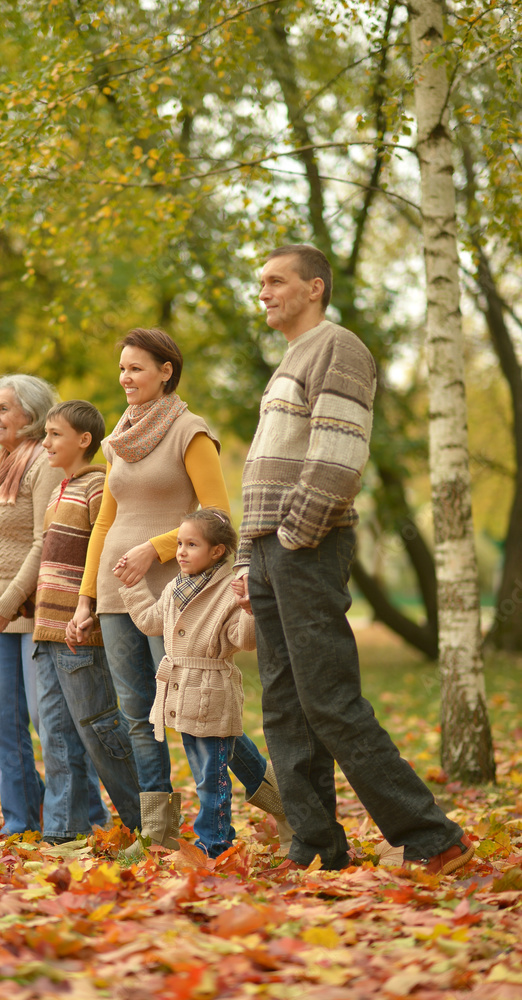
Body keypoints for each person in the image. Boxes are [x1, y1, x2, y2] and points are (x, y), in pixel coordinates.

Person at [233, 243, 474, 877]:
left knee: (329, 699)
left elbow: (338, 457)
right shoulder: (292, 358)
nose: (264, 291)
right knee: (284, 705)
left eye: (276, 281)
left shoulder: (337, 347)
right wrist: (248, 556)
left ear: (315, 288)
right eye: (261, 282)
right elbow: (266, 466)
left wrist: (292, 536)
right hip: (268, 548)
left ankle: (431, 835)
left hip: (303, 546)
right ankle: (315, 846)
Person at [68, 328, 289, 851]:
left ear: (166, 371)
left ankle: (282, 802)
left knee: (196, 709)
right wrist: (86, 598)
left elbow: (217, 515)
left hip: (177, 589)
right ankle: (159, 833)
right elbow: (104, 524)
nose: (125, 378)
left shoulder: (190, 432)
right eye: (121, 368)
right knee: (137, 713)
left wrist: (156, 548)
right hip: (118, 589)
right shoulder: (118, 438)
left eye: (136, 368)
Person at [32, 399, 141, 844]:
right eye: (46, 433)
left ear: (84, 440)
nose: (46, 442)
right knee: (56, 734)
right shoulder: (61, 490)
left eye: (55, 434)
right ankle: (65, 830)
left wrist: (87, 609)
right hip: (47, 632)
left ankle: (148, 820)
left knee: (99, 730)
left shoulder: (98, 487)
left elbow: (103, 556)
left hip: (80, 634)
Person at [118, 509, 257, 859]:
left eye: (191, 544)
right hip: (182, 691)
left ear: (217, 552)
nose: (181, 551)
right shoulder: (175, 587)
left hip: (212, 690)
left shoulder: (229, 591)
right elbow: (152, 623)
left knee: (212, 778)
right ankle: (275, 804)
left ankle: (213, 845)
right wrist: (132, 588)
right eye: (179, 543)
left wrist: (250, 608)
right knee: (207, 771)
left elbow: (245, 639)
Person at [0, 374, 63, 835]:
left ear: (32, 413)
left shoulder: (44, 462)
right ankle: (19, 821)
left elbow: (43, 543)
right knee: (1, 724)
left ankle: (78, 819)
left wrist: (7, 603)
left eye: (4, 408)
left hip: (31, 612)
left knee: (46, 725)